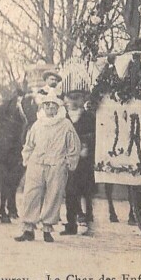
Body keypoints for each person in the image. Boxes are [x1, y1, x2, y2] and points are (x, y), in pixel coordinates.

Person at [15, 90, 80, 243]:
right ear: (43, 107)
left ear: (58, 107)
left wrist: (69, 162)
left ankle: (47, 228)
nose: (50, 108)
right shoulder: (38, 124)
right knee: (31, 194)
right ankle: (28, 229)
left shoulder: (65, 125)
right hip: (36, 164)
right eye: (47, 105)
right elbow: (29, 144)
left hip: (56, 165)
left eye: (53, 105)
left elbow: (73, 146)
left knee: (53, 195)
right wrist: (27, 159)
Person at [60, 90, 96, 236]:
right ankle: (71, 224)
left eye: (78, 98)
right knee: (70, 191)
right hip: (69, 158)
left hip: (85, 159)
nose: (74, 102)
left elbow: (95, 134)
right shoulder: (63, 117)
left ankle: (88, 221)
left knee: (86, 191)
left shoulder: (88, 117)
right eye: (71, 98)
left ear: (82, 100)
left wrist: (87, 145)